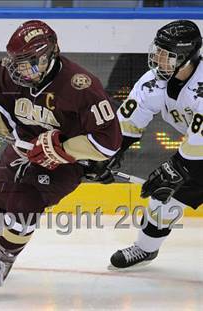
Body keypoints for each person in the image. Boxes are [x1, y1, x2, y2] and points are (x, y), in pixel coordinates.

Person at [0, 20, 122, 294]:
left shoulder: (81, 86)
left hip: (64, 162)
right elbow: (0, 113)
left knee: (24, 203)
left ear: (48, 55)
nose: (17, 68)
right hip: (22, 147)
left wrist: (62, 148)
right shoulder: (8, 71)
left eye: (26, 62)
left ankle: (2, 263)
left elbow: (109, 142)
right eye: (16, 61)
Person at [94, 20, 203, 269]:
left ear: (187, 57)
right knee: (162, 200)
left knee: (168, 184)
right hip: (198, 158)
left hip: (198, 152)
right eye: (158, 50)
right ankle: (145, 249)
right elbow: (127, 126)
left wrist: (174, 169)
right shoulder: (151, 82)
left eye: (167, 55)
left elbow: (199, 144)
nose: (157, 58)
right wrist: (107, 155)